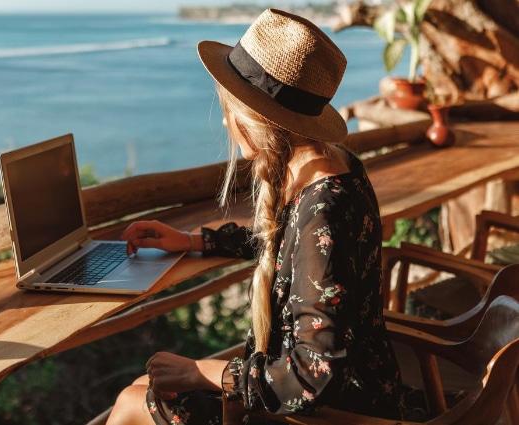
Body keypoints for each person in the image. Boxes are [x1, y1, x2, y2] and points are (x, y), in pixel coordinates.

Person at [107, 8, 403, 425]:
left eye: (230, 110)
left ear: (254, 119)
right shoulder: (333, 166)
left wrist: (205, 371)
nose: (226, 120)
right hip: (361, 384)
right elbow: (295, 252)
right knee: (143, 386)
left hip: (335, 411)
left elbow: (313, 376)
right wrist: (194, 240)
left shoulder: (324, 211)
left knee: (131, 403)